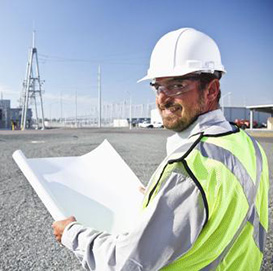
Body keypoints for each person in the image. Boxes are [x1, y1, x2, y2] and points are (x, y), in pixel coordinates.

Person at [52, 28, 269, 270]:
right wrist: (162, 200)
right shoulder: (248, 145)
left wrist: (72, 234)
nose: (162, 98)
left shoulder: (188, 168)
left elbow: (127, 264)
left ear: (211, 90)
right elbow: (224, 212)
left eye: (176, 85)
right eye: (158, 87)